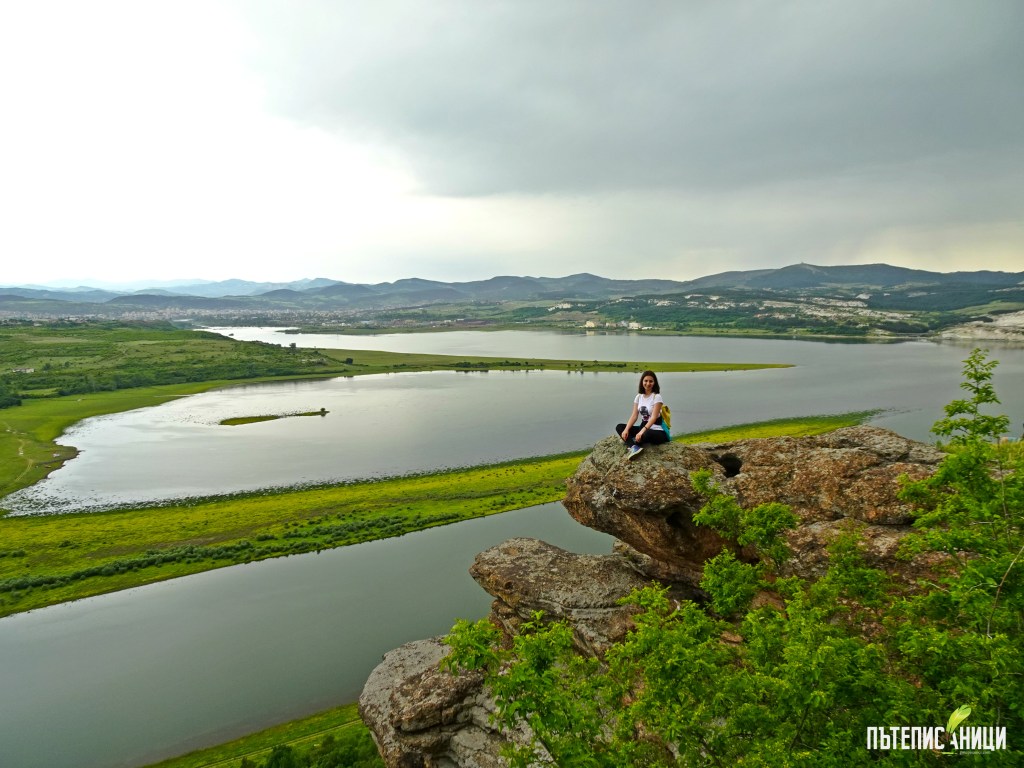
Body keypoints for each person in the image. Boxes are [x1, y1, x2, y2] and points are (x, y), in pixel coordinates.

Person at [616, 370, 669, 459]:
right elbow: (634, 415)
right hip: (643, 426)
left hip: (657, 430)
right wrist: (626, 429)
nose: (648, 383)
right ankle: (634, 447)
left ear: (654, 383)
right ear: (642, 382)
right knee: (620, 427)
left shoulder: (657, 397)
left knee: (645, 435)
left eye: (651, 381)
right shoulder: (639, 397)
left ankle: (631, 443)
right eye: (646, 381)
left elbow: (653, 418)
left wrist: (641, 432)